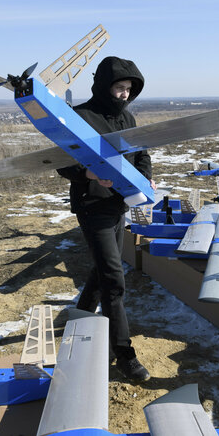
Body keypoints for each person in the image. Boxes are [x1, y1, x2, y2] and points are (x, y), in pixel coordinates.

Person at [56, 56, 154, 382]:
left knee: (103, 270)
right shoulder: (81, 116)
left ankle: (80, 316)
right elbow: (61, 161)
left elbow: (142, 155)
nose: (124, 94)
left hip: (119, 205)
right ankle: (124, 355)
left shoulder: (127, 118)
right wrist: (85, 172)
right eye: (119, 87)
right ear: (104, 85)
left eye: (128, 89)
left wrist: (144, 180)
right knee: (114, 280)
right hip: (92, 205)